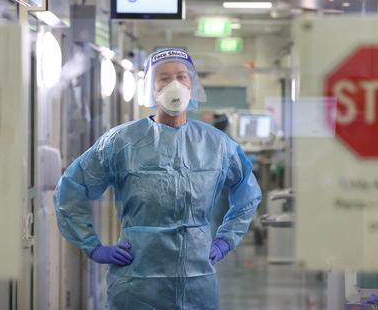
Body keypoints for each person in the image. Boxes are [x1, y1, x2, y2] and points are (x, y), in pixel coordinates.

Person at [54, 48, 262, 309]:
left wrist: (225, 240)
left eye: (181, 77)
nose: (174, 84)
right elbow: (71, 188)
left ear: (192, 84)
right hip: (136, 281)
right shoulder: (121, 142)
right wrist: (93, 246)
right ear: (152, 89)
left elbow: (248, 193)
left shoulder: (218, 145)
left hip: (196, 282)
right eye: (163, 78)